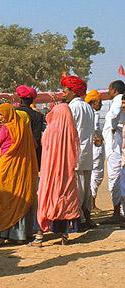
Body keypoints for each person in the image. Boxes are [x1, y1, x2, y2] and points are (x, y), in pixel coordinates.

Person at [0, 103, 38, 245]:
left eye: (0, 115)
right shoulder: (23, 127)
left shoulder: (6, 128)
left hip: (6, 167)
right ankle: (20, 234)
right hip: (22, 168)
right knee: (20, 197)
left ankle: (0, 235)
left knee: (1, 198)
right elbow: (33, 145)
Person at [33, 104, 81, 246]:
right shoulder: (71, 131)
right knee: (65, 200)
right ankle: (64, 236)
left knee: (46, 199)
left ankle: (39, 237)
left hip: (50, 172)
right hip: (66, 173)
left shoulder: (50, 131)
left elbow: (44, 146)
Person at [61, 75, 95, 229]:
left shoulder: (73, 108)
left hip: (75, 153)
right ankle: (87, 218)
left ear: (73, 91)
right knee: (86, 188)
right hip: (87, 153)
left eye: (65, 90)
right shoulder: (88, 107)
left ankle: (79, 220)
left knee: (77, 189)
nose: (63, 93)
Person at [102, 80, 125, 222]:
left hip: (114, 147)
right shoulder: (118, 100)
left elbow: (116, 114)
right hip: (115, 146)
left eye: (109, 90)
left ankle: (117, 213)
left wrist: (113, 127)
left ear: (115, 90)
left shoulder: (118, 100)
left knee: (115, 178)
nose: (108, 93)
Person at [15, 85, 45, 169]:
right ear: (32, 100)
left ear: (20, 99)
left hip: (14, 153)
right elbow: (37, 137)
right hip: (31, 154)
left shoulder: (13, 113)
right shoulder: (38, 116)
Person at [85, 90, 105, 211]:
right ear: (94, 102)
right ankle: (91, 203)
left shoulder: (86, 112)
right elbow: (96, 130)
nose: (101, 105)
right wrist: (99, 138)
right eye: (100, 102)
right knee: (97, 174)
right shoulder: (94, 114)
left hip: (89, 148)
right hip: (95, 147)